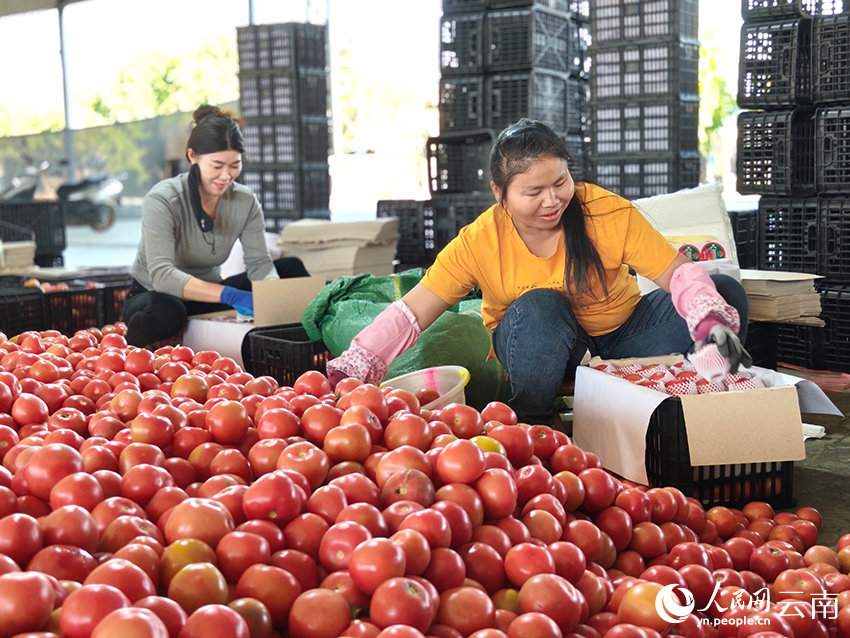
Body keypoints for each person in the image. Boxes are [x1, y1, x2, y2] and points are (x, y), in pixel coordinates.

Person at [326, 118, 751, 426]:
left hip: (624, 339)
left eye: (561, 182)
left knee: (724, 290)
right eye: (533, 191)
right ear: (500, 193)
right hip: (541, 351)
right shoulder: (480, 241)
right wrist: (355, 364)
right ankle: (533, 426)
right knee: (541, 306)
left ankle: (694, 412)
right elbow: (412, 311)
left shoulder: (606, 213)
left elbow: (678, 274)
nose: (552, 201)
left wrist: (710, 319)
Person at [122, 105, 310, 349]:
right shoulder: (164, 199)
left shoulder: (245, 201)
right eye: (217, 165)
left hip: (207, 296)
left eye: (234, 165)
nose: (226, 176)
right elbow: (162, 275)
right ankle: (134, 345)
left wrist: (270, 294)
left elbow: (259, 263)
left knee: (290, 268)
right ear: (193, 156)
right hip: (157, 296)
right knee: (167, 312)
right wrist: (229, 296)